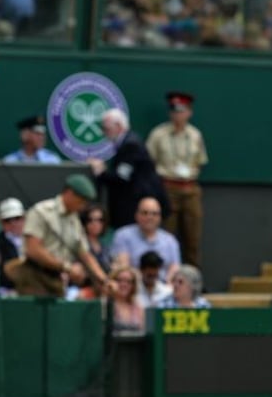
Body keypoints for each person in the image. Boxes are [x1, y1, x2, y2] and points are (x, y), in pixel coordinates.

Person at [6, 174, 111, 297]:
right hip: (34, 275)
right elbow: (33, 249)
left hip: (57, 278)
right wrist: (67, 267)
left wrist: (104, 280)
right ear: (70, 193)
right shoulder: (42, 211)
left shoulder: (74, 220)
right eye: (81, 200)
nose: (83, 205)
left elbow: (85, 254)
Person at [146, 91, 209, 267]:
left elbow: (200, 161)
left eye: (182, 111)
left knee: (193, 237)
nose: (178, 115)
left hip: (190, 188)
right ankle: (165, 276)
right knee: (166, 234)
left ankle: (193, 278)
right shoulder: (158, 134)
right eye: (174, 111)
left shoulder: (195, 135)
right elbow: (149, 162)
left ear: (189, 112)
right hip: (167, 188)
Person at [89, 108, 168, 230]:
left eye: (106, 129)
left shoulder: (131, 145)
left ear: (119, 126)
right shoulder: (127, 142)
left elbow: (121, 177)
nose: (104, 133)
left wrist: (101, 173)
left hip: (133, 207)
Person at [110, 197, 181, 281]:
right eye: (145, 213)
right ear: (136, 215)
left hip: (163, 288)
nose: (149, 217)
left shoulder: (170, 241)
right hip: (133, 287)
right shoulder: (123, 235)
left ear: (160, 217)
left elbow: (175, 269)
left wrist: (166, 289)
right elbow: (123, 268)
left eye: (154, 214)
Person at [0, 197, 25, 294]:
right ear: (1, 222)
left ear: (24, 218)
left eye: (17, 218)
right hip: (7, 289)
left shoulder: (34, 239)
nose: (13, 223)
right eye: (7, 220)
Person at [108, 266, 145, 336]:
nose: (124, 284)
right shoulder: (106, 304)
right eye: (119, 280)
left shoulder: (138, 307)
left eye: (128, 282)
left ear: (133, 285)